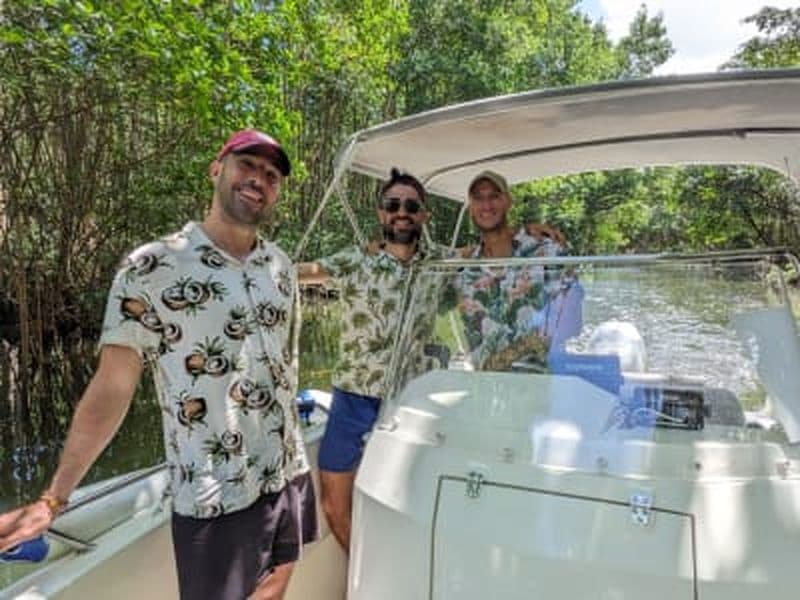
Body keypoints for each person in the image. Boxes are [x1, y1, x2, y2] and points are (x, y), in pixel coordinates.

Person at [0, 129, 317, 600]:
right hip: (215, 495)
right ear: (216, 169)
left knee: (279, 584)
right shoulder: (151, 267)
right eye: (247, 165)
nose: (259, 179)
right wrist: (53, 498)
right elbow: (113, 386)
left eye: (271, 175)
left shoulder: (280, 267)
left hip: (287, 470)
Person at [298, 168, 449, 552]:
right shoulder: (355, 260)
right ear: (381, 213)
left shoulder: (437, 262)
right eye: (392, 205)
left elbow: (488, 250)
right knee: (334, 501)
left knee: (411, 499)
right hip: (353, 398)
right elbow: (300, 273)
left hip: (409, 401)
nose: (401, 212)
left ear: (423, 216)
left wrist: (532, 231)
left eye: (411, 206)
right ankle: (364, 575)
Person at [456, 170, 583, 370]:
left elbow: (571, 323)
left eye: (494, 196)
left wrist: (515, 352)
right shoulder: (462, 267)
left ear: (508, 201)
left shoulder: (547, 249)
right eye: (478, 198)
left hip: (538, 381)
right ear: (471, 208)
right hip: (483, 382)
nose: (486, 205)